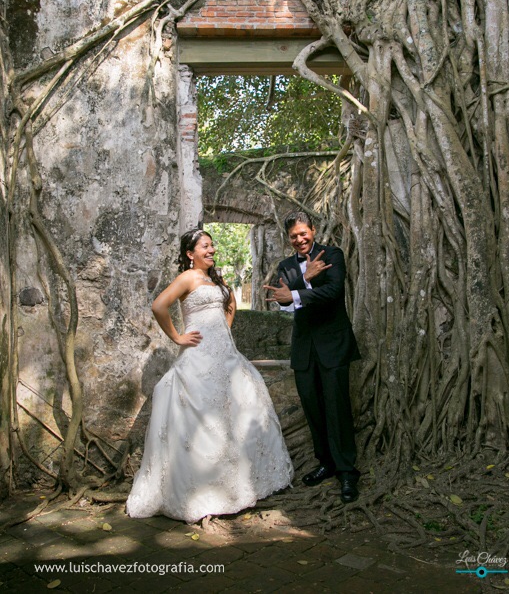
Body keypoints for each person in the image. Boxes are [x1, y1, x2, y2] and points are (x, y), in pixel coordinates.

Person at [127, 228, 293, 524]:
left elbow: (229, 305)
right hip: (198, 358)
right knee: (203, 421)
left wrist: (223, 330)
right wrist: (178, 337)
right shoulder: (187, 278)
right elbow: (158, 306)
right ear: (191, 254)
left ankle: (237, 487)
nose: (212, 250)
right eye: (205, 246)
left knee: (234, 415)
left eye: (212, 245)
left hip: (227, 356)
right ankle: (204, 491)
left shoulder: (216, 279)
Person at [264, 211, 361, 503]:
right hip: (304, 349)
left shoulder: (332, 254)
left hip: (333, 345)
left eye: (303, 233)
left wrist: (298, 290)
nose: (299, 239)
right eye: (294, 236)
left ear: (313, 230)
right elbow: (284, 307)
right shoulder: (285, 266)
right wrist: (301, 285)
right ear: (288, 238)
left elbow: (333, 292)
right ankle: (326, 463)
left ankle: (347, 471)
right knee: (313, 409)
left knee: (337, 408)